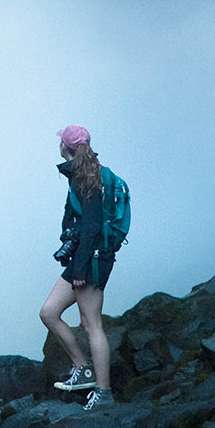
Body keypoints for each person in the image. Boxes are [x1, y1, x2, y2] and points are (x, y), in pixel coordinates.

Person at [41, 124, 130, 405]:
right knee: (49, 312)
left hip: (92, 260)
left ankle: (103, 392)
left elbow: (91, 226)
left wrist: (80, 269)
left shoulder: (87, 177)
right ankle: (82, 368)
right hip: (87, 257)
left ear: (65, 148)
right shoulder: (93, 173)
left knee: (92, 325)